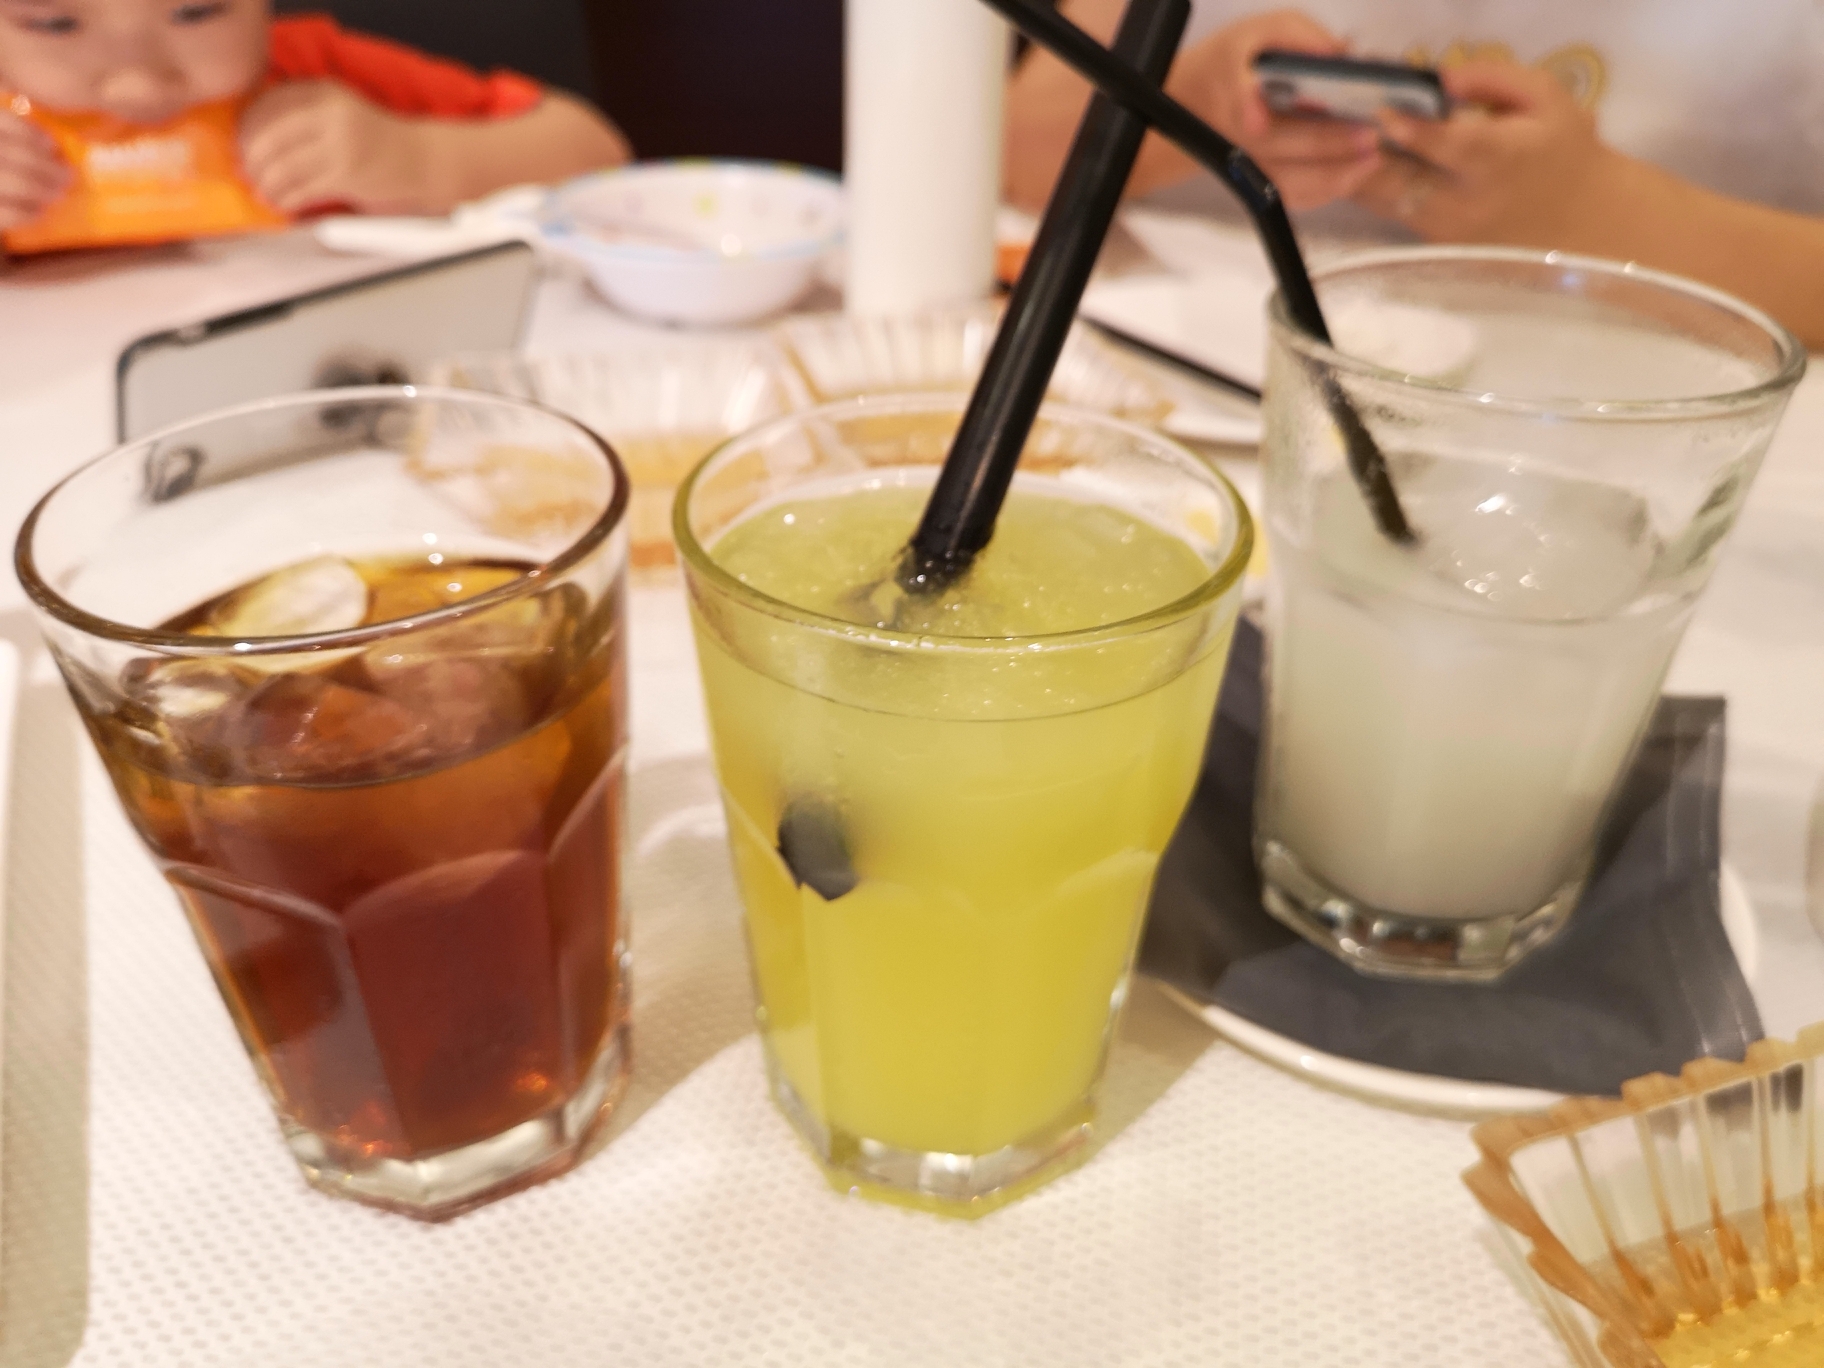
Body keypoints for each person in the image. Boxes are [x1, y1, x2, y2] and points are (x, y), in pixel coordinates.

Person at [1006, 2, 1824, 346]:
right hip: (1212, 392)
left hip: (1659, 431)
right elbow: (1014, 152)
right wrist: (1184, 108)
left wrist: (1598, 214)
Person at [0, 0, 631, 233]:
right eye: (54, 24)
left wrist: (414, 158)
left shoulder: (317, 77)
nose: (137, 81)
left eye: (196, 13)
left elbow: (597, 151)